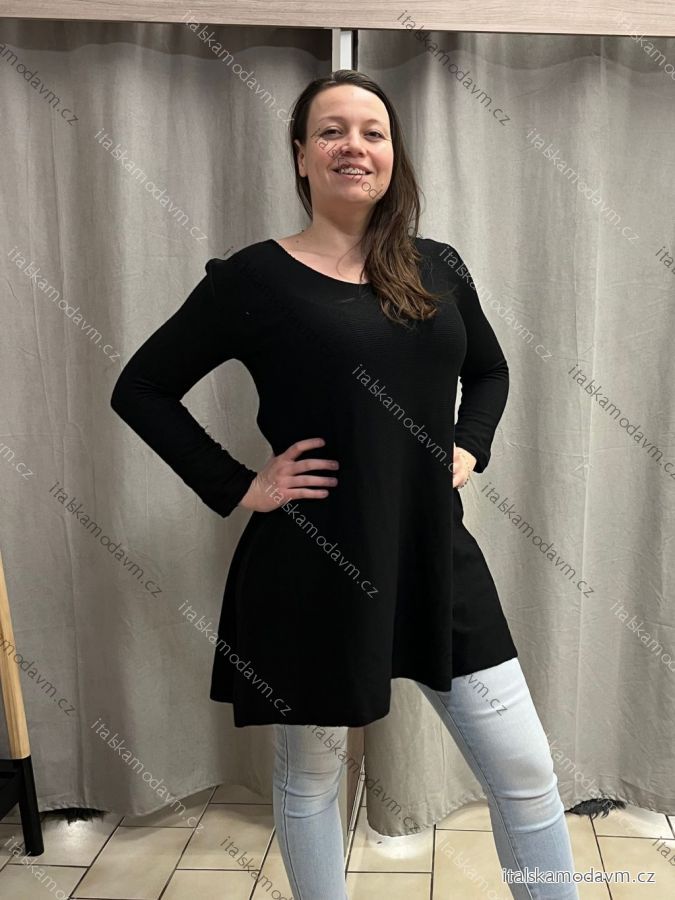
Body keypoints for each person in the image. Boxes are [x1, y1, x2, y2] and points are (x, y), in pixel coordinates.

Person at [110, 69, 579, 899]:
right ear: (300, 155)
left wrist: (469, 446)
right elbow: (141, 388)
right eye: (330, 131)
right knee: (311, 778)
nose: (352, 147)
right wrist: (239, 484)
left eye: (372, 132)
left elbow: (490, 371)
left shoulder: (436, 266)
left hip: (434, 554)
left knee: (525, 771)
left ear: (393, 154)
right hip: (312, 562)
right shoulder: (253, 279)